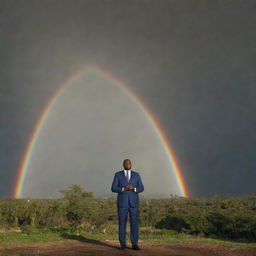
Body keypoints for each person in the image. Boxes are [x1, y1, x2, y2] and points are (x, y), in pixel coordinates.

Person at [111, 159, 144, 250]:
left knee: (134, 223)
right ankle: (122, 244)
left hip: (134, 203)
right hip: (122, 203)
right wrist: (123, 188)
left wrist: (134, 189)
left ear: (131, 164)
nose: (128, 164)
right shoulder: (118, 174)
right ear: (123, 164)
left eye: (129, 163)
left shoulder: (136, 175)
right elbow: (113, 188)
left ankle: (134, 244)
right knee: (122, 223)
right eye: (126, 163)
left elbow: (141, 188)